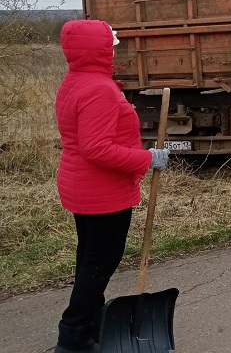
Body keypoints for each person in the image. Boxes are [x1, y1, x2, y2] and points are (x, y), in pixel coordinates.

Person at [54, 20, 170, 352]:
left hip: (83, 188)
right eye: (111, 45)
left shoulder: (76, 81)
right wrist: (147, 159)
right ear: (99, 49)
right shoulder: (98, 89)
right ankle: (74, 335)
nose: (114, 50)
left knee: (90, 259)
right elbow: (97, 148)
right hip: (102, 193)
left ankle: (89, 324)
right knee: (99, 262)